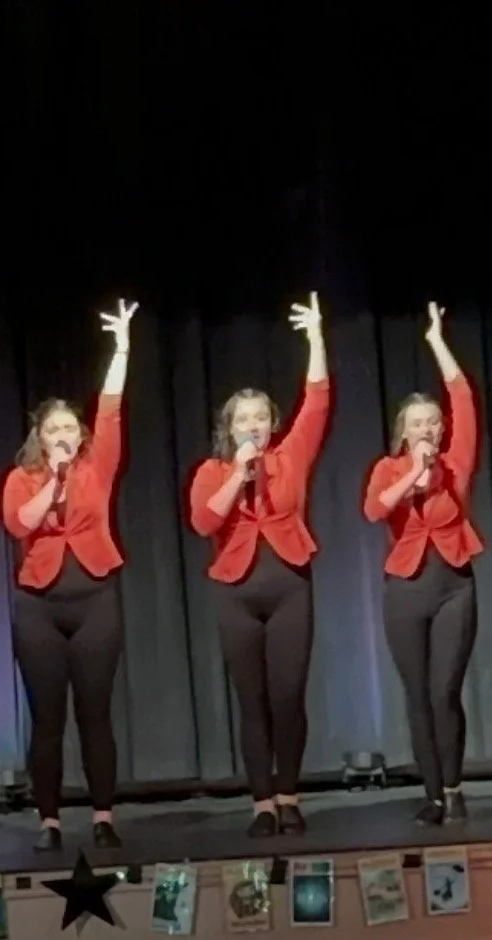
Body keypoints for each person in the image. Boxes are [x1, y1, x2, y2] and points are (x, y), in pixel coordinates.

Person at [188, 292, 330, 838]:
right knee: (252, 702)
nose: (253, 425)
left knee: (288, 697)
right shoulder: (212, 470)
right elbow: (204, 522)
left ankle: (289, 796)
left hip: (290, 584)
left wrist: (315, 337)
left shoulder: (290, 457)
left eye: (261, 417)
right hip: (235, 592)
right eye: (243, 419)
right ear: (230, 428)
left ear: (272, 423)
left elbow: (317, 401)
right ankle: (262, 803)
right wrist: (237, 475)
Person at [1, 299, 136, 851]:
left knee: (95, 712)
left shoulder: (97, 466)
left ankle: (103, 816)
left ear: (80, 435)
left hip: (95, 599)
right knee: (47, 717)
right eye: (52, 428)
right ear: (40, 436)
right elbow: (19, 524)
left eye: (69, 428)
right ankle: (50, 820)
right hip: (39, 605)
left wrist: (121, 349)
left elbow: (111, 409)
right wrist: (54, 482)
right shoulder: (22, 478)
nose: (62, 434)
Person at [362, 304, 482, 826]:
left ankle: (454, 790)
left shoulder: (456, 464)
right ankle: (432, 795)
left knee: (443, 692)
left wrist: (437, 341)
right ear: (404, 432)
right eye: (418, 424)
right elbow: (374, 511)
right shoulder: (388, 469)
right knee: (417, 696)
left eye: (433, 421)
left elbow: (464, 398)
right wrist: (413, 475)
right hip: (405, 590)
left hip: (454, 585)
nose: (428, 428)